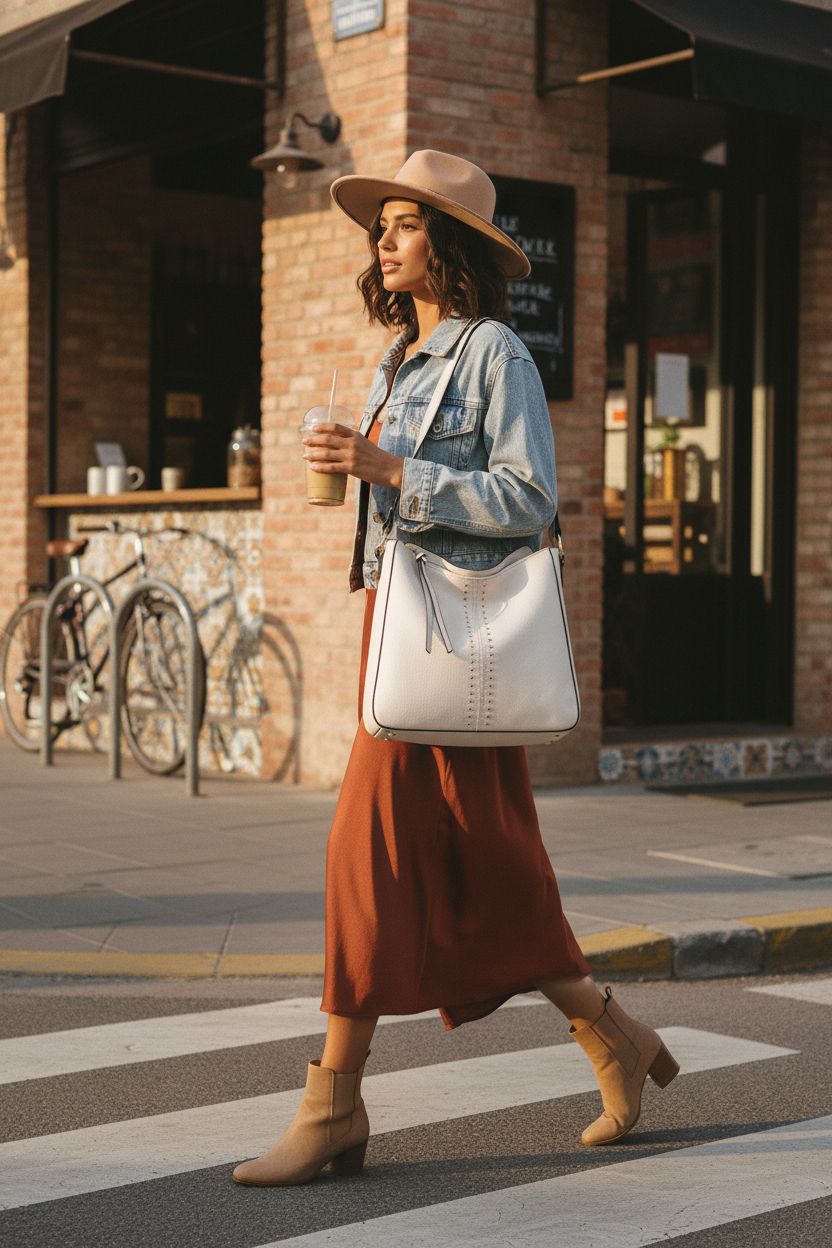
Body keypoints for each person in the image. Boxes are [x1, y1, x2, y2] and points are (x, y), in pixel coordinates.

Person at [232, 150, 678, 1187]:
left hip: (458, 646)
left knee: (362, 852)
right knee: (496, 869)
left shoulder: (496, 355)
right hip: (406, 640)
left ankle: (332, 1104)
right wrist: (363, 476)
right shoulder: (399, 363)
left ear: (450, 248)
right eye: (379, 228)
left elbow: (528, 500)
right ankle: (617, 1039)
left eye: (399, 225)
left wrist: (391, 468)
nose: (380, 243)